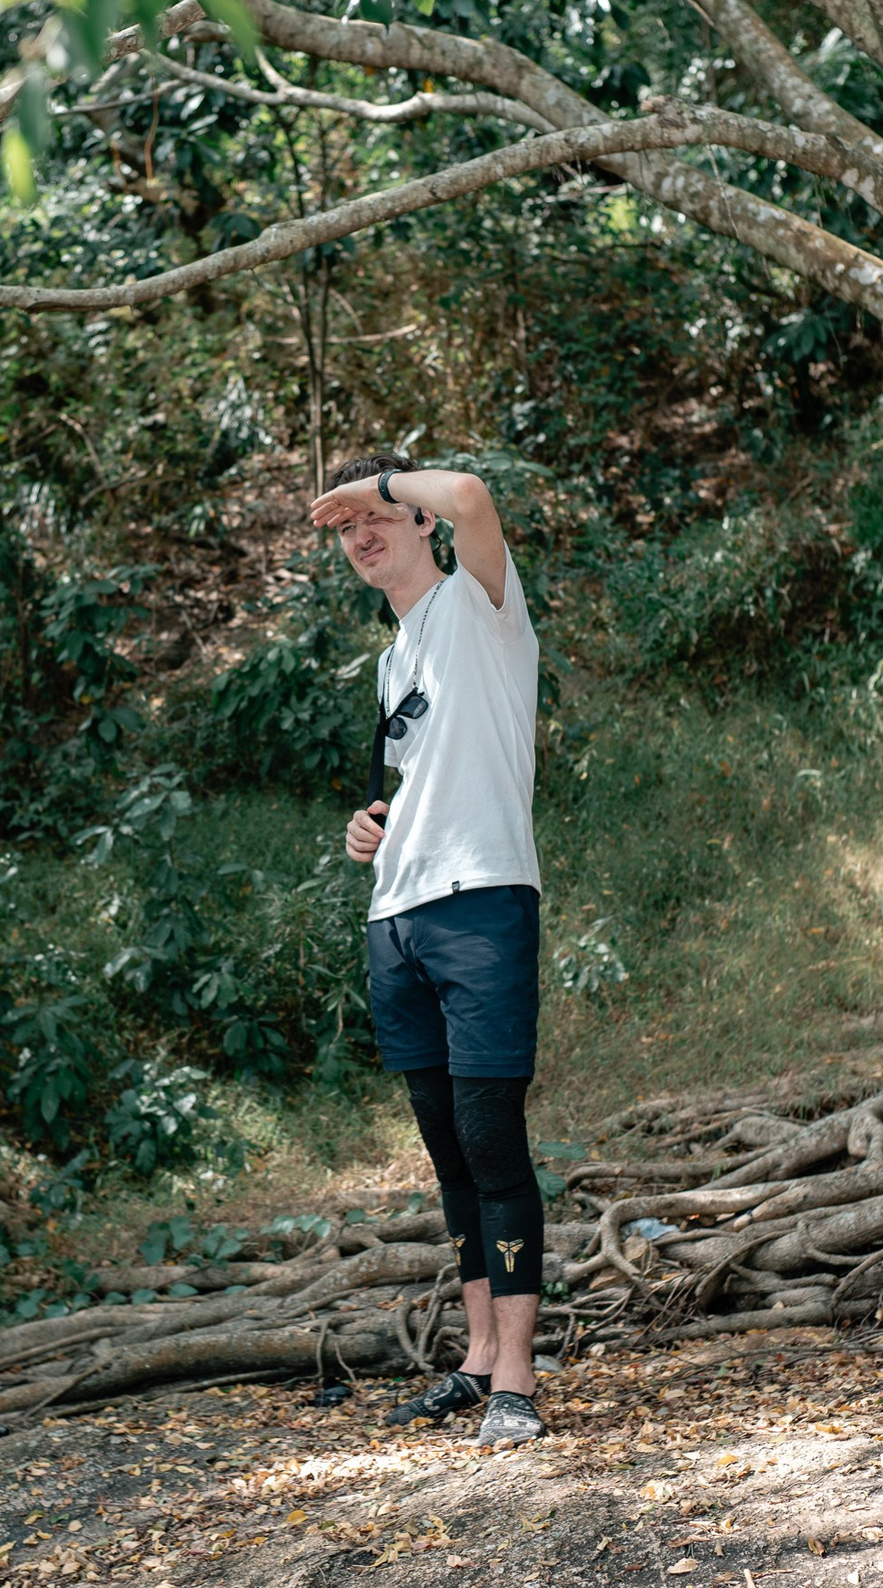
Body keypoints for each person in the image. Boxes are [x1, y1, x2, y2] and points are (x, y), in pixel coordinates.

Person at [308, 450, 547, 1450]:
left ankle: (520, 1385)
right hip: (395, 915)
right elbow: (413, 785)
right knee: (449, 1153)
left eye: (376, 515)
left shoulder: (483, 604)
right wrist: (371, 830)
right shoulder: (393, 656)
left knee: (492, 1135)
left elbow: (473, 497)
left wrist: (386, 480)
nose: (360, 535)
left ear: (416, 522)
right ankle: (478, 1357)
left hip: (482, 901)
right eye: (345, 527)